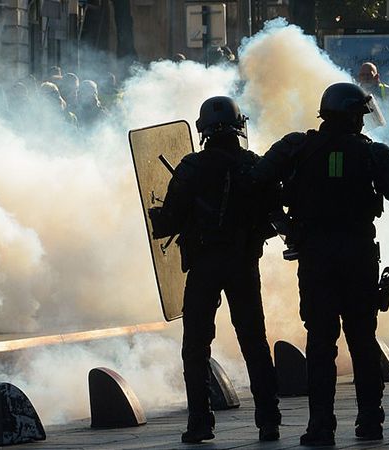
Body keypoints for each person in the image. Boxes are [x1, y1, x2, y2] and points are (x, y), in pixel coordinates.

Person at [250, 82, 389, 446]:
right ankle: (370, 421)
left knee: (320, 343)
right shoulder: (374, 154)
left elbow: (255, 181)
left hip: (316, 257)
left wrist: (282, 222)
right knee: (362, 341)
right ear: (350, 116)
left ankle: (321, 427)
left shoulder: (297, 147)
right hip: (358, 255)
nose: (362, 123)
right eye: (359, 116)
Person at [148, 96, 281, 444]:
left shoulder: (191, 167)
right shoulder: (253, 165)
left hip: (205, 264)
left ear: (204, 129)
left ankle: (200, 423)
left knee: (195, 347)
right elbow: (273, 217)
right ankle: (268, 421)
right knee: (254, 342)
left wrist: (156, 213)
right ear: (238, 128)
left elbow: (169, 221)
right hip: (242, 263)